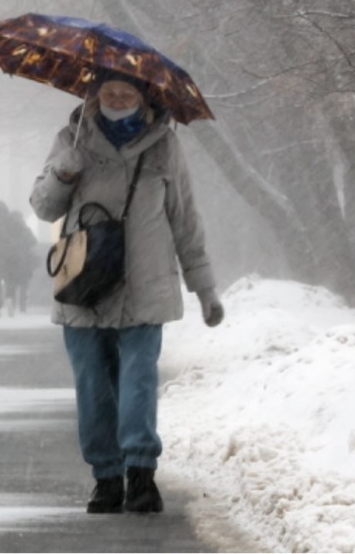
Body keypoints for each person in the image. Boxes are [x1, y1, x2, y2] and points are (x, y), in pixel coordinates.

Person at [29, 75, 224, 515]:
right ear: (95, 94)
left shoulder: (164, 146)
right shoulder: (70, 137)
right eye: (109, 92)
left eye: (127, 93)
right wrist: (63, 173)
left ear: (144, 97)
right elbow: (43, 207)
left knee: (138, 380)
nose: (117, 100)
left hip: (145, 282)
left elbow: (185, 219)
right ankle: (106, 478)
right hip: (84, 284)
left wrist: (205, 288)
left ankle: (140, 473)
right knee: (93, 386)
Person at [3, 209, 37, 315]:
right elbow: (33, 241)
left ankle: (10, 301)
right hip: (23, 260)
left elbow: (3, 244)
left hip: (10, 261)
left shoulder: (7, 230)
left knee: (11, 283)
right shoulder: (25, 230)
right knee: (24, 285)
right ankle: (22, 308)